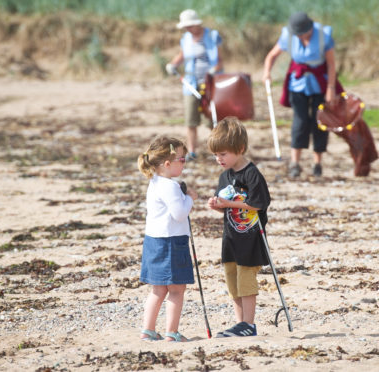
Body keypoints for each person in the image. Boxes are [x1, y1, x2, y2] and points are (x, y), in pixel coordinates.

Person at [207, 117, 271, 337]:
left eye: (223, 154)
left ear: (240, 149)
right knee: (232, 279)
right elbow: (227, 208)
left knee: (245, 279)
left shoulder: (252, 174)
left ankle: (249, 324)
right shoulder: (225, 176)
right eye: (216, 155)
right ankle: (239, 323)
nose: (219, 159)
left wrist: (229, 203)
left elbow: (258, 203)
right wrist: (217, 206)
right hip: (231, 237)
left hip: (251, 237)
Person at [263, 11, 341, 178]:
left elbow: (332, 64)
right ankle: (295, 163)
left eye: (302, 33)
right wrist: (267, 73)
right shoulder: (288, 36)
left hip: (320, 83)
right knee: (300, 121)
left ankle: (317, 163)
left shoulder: (323, 36)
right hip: (297, 84)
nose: (299, 36)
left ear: (309, 28)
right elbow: (271, 56)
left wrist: (331, 88)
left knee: (320, 121)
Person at [137, 136, 198, 342]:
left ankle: (148, 330)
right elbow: (179, 214)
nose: (184, 163)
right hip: (171, 243)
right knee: (177, 289)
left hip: (153, 241)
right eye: (182, 159)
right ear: (167, 164)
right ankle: (172, 332)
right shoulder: (170, 186)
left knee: (158, 289)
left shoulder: (154, 182)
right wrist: (190, 198)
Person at [166, 9, 223, 161]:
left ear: (196, 24)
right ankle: (192, 152)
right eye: (185, 27)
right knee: (191, 119)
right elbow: (183, 55)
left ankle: (217, 150)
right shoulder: (186, 38)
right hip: (190, 84)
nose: (188, 29)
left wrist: (213, 71)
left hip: (210, 84)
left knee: (212, 120)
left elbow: (220, 61)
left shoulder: (211, 36)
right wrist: (173, 64)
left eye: (190, 26)